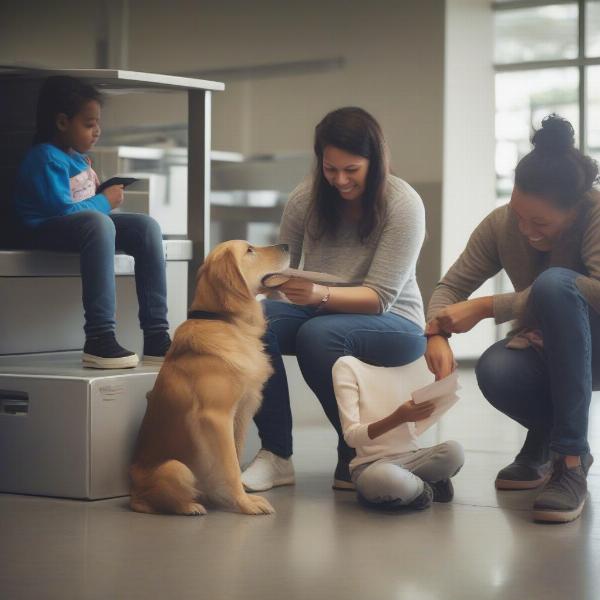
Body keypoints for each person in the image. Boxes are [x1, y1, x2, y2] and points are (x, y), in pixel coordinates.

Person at [241, 106, 428, 492]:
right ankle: (276, 454)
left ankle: (358, 448)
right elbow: (282, 270)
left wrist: (319, 295)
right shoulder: (304, 199)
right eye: (330, 169)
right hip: (318, 309)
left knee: (319, 336)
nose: (340, 180)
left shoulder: (403, 203)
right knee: (253, 321)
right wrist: (269, 285)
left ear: (374, 162)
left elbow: (379, 298)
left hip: (397, 322)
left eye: (351, 170)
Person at [425, 114, 598, 524]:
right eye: (519, 214)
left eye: (540, 223)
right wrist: (435, 334)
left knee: (556, 284)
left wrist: (489, 307)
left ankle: (570, 463)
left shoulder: (595, 214)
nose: (526, 230)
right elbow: (449, 287)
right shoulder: (503, 224)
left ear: (575, 211)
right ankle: (544, 441)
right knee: (496, 367)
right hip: (544, 350)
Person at [14, 76, 171, 369]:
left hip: (82, 228)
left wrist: (102, 199)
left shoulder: (78, 158)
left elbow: (82, 209)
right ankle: (99, 337)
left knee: (146, 227)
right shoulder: (46, 158)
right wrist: (104, 202)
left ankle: (157, 336)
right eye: (89, 124)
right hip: (44, 231)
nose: (97, 131)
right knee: (100, 223)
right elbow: (61, 212)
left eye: (98, 123)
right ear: (62, 122)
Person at [333, 356, 464, 511]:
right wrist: (398, 418)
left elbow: (416, 428)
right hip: (371, 465)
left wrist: (441, 383)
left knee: (454, 451)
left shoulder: (416, 360)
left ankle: (404, 491)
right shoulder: (347, 366)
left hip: (411, 456)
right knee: (385, 478)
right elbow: (351, 437)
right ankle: (424, 488)